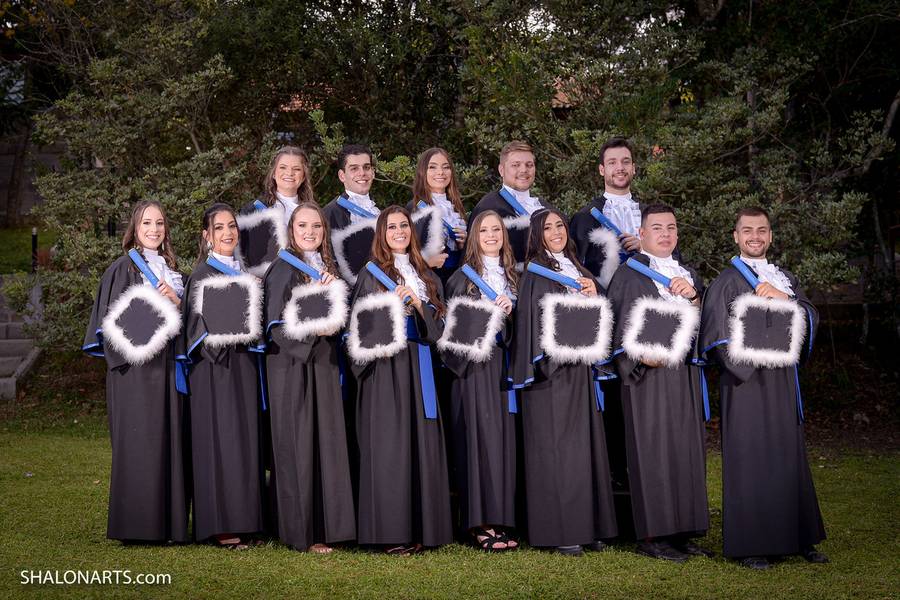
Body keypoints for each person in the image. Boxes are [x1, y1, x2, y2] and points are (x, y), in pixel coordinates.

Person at [699, 207, 827, 569]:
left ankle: (797, 537)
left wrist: (784, 299)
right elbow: (715, 336)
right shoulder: (726, 280)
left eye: (762, 230)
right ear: (736, 237)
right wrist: (747, 367)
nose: (755, 236)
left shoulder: (783, 277)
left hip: (783, 379)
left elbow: (809, 316)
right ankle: (751, 544)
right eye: (747, 231)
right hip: (748, 384)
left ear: (770, 236)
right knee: (751, 458)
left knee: (789, 457)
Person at [510, 208, 617, 556]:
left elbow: (601, 315)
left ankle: (587, 527)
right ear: (536, 235)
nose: (555, 231)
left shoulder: (580, 269)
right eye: (547, 227)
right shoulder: (535, 274)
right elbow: (532, 323)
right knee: (556, 453)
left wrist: (593, 294)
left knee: (584, 449)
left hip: (580, 371)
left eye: (560, 225)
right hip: (550, 373)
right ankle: (559, 530)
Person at [606, 204, 710, 562]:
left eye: (671, 227)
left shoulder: (687, 273)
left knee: (685, 450)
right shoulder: (628, 275)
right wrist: (634, 356)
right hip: (646, 377)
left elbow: (706, 325)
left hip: (682, 373)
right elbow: (614, 325)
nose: (665, 234)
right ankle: (653, 534)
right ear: (643, 234)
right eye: (657, 228)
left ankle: (684, 531)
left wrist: (695, 296)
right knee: (653, 453)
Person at [348, 205, 452, 554]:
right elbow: (359, 329)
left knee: (420, 445)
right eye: (391, 227)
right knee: (391, 446)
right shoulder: (370, 274)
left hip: (419, 362)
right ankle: (391, 533)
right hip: (386, 368)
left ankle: (424, 528)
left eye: (404, 226)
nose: (399, 232)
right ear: (382, 233)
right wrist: (392, 306)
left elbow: (439, 331)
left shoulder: (427, 276)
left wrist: (420, 306)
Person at [83, 200, 188, 544]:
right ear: (135, 227)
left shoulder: (175, 272)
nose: (154, 229)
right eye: (147, 223)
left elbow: (189, 323)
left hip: (168, 369)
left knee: (168, 443)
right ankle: (137, 528)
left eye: (159, 223)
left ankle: (169, 527)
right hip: (136, 372)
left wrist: (177, 302)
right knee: (139, 443)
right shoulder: (123, 268)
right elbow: (109, 327)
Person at [262, 202, 356, 553]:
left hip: (324, 365)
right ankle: (303, 533)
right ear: (291, 229)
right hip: (293, 367)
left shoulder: (327, 268)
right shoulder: (283, 269)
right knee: (299, 446)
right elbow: (275, 327)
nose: (310, 232)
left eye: (316, 226)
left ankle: (331, 527)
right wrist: (316, 327)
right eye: (303, 226)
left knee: (327, 444)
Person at [179, 203, 264, 549]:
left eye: (231, 226)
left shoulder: (244, 274)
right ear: (206, 235)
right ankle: (220, 525)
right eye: (219, 228)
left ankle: (247, 521)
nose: (228, 233)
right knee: (219, 443)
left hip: (243, 366)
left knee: (244, 443)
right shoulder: (202, 276)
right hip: (214, 370)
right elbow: (195, 329)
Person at [441, 210, 518, 552]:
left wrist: (513, 314)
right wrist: (489, 314)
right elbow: (454, 336)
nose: (491, 235)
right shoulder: (462, 279)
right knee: (477, 443)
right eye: (484, 230)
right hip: (473, 371)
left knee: (503, 445)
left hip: (505, 367)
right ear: (473, 237)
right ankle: (479, 523)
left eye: (496, 230)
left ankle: (503, 518)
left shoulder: (516, 277)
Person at [569, 136, 643, 289]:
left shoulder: (651, 215)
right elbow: (572, 267)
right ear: (602, 170)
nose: (620, 167)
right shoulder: (584, 218)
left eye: (626, 161)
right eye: (612, 162)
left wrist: (645, 247)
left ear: (633, 168)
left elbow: (671, 260)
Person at [468, 141, 552, 265]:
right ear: (501, 170)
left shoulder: (544, 207)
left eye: (529, 165)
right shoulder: (489, 207)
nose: (524, 170)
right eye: (515, 165)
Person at [238, 146, 315, 275]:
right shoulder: (253, 211)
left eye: (296, 169)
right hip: (268, 282)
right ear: (273, 173)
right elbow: (241, 254)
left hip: (305, 280)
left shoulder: (313, 213)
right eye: (283, 167)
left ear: (303, 176)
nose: (290, 173)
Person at [322, 144, 380, 282]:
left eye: (366, 167)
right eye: (354, 168)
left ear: (373, 172)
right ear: (342, 176)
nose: (362, 173)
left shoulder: (379, 211)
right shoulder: (329, 213)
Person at [408, 147, 467, 281]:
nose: (440, 172)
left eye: (446, 167)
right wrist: (426, 262)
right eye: (432, 167)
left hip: (457, 279)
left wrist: (465, 244)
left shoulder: (456, 207)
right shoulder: (415, 207)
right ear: (423, 172)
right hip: (431, 279)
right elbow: (405, 252)